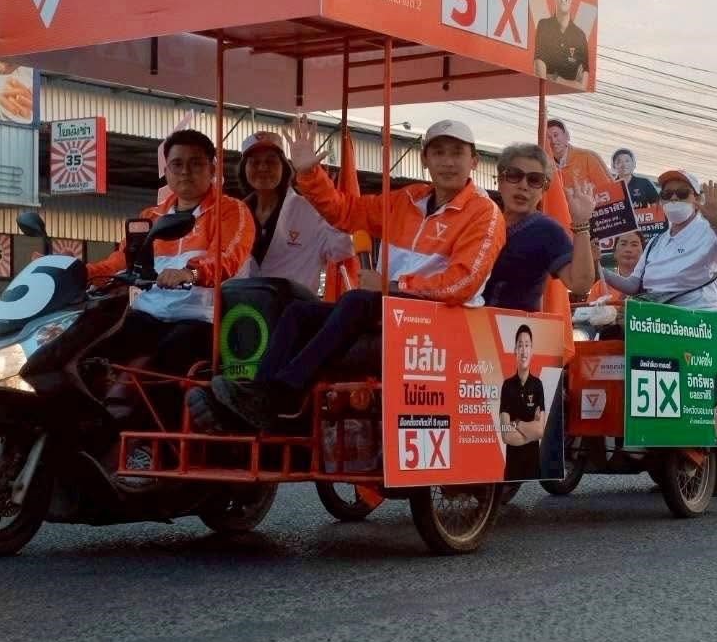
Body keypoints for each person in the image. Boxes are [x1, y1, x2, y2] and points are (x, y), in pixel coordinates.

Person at [189, 116, 505, 431]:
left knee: (357, 300)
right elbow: (346, 212)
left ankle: (282, 394)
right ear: (425, 160)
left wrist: (393, 286)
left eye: (457, 153)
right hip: (395, 311)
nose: (447, 162)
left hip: (443, 318)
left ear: (474, 161)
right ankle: (259, 396)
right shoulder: (407, 200)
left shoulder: (484, 212)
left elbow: (463, 283)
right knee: (298, 312)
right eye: (438, 153)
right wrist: (309, 174)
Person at [86, 128, 255, 426]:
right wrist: (78, 272)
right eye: (177, 164)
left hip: (201, 319)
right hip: (148, 315)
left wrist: (191, 272)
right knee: (90, 345)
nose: (185, 171)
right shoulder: (150, 217)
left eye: (196, 163)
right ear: (167, 171)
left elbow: (227, 258)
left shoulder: (232, 211)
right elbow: (119, 261)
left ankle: (154, 442)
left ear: (212, 169)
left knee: (168, 359)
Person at [233, 130, 355, 292]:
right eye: (254, 162)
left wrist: (321, 190)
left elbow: (344, 248)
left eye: (271, 161)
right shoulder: (233, 214)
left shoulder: (312, 210)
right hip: (243, 306)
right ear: (244, 169)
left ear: (284, 167)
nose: (262, 167)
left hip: (295, 306)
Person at [599, 170, 717, 311]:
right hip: (657, 317)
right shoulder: (655, 243)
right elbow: (633, 285)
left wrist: (716, 223)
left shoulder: (710, 230)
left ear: (697, 200)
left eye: (682, 193)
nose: (674, 198)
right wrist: (598, 269)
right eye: (667, 194)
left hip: (699, 317)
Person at [483, 142, 597, 312]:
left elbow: (580, 284)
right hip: (465, 323)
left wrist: (581, 223)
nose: (523, 186)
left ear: (544, 189)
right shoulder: (481, 218)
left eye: (534, 180)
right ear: (500, 180)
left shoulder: (547, 230)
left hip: (517, 326)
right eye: (514, 175)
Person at [534, 0, 590, 90]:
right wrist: (572, 82)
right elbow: (541, 76)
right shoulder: (543, 26)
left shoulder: (580, 37)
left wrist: (556, 78)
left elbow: (583, 86)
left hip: (571, 102)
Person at [500, 325, 546, 480]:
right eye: (520, 345)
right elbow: (506, 434)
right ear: (515, 350)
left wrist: (517, 423)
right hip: (512, 471)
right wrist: (530, 431)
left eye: (527, 345)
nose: (524, 350)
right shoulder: (507, 386)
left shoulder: (537, 385)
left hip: (534, 469)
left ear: (532, 351)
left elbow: (540, 431)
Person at [545, 119, 615, 203]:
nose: (553, 141)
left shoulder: (587, 157)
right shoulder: (545, 166)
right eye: (548, 138)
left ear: (567, 136)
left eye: (556, 135)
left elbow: (609, 189)